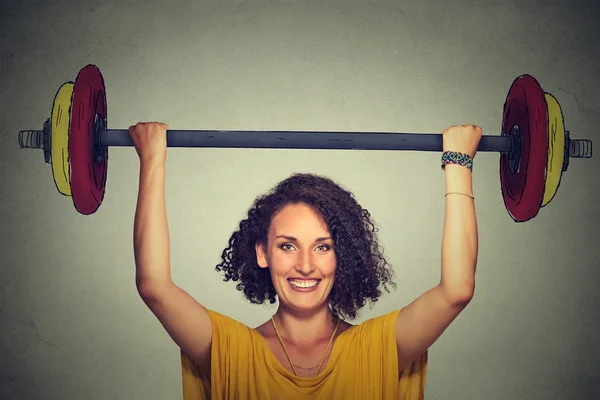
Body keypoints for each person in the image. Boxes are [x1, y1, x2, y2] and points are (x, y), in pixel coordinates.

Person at [129, 122, 481, 399]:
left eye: (323, 247)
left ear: (342, 256)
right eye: (287, 246)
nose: (306, 266)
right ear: (262, 253)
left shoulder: (379, 349)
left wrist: (458, 163)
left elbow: (456, 291)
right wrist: (152, 159)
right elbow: (154, 286)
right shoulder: (231, 351)